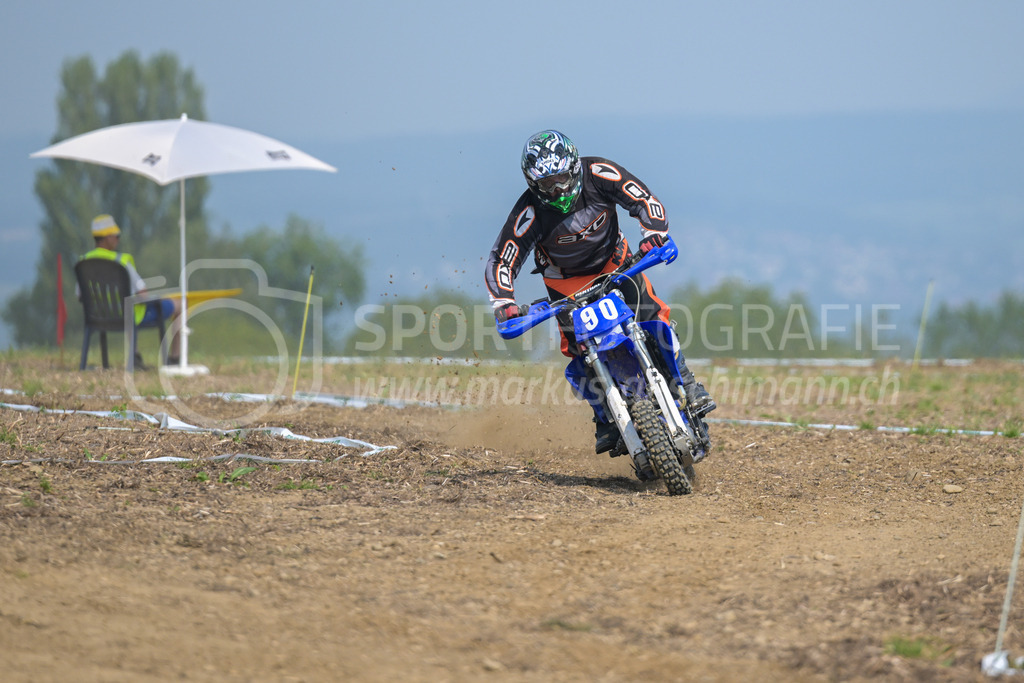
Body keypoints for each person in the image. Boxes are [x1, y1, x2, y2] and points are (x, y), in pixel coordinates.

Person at [484, 130, 715, 453]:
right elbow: (502, 260)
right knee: (577, 349)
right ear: (533, 184)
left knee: (652, 315)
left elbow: (643, 199)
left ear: (574, 168)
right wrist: (504, 302)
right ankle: (604, 417)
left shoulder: (598, 173)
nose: (558, 189)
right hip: (565, 283)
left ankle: (686, 382)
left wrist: (653, 233)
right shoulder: (529, 213)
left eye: (562, 178)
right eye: (548, 184)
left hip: (616, 263)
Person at [79, 214, 182, 366]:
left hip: (97, 318)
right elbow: (143, 295)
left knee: (129, 303)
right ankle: (175, 359)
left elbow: (80, 295)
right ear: (107, 237)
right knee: (179, 305)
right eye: (116, 235)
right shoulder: (121, 262)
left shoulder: (83, 262)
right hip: (130, 317)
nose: (118, 239)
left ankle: (135, 356)